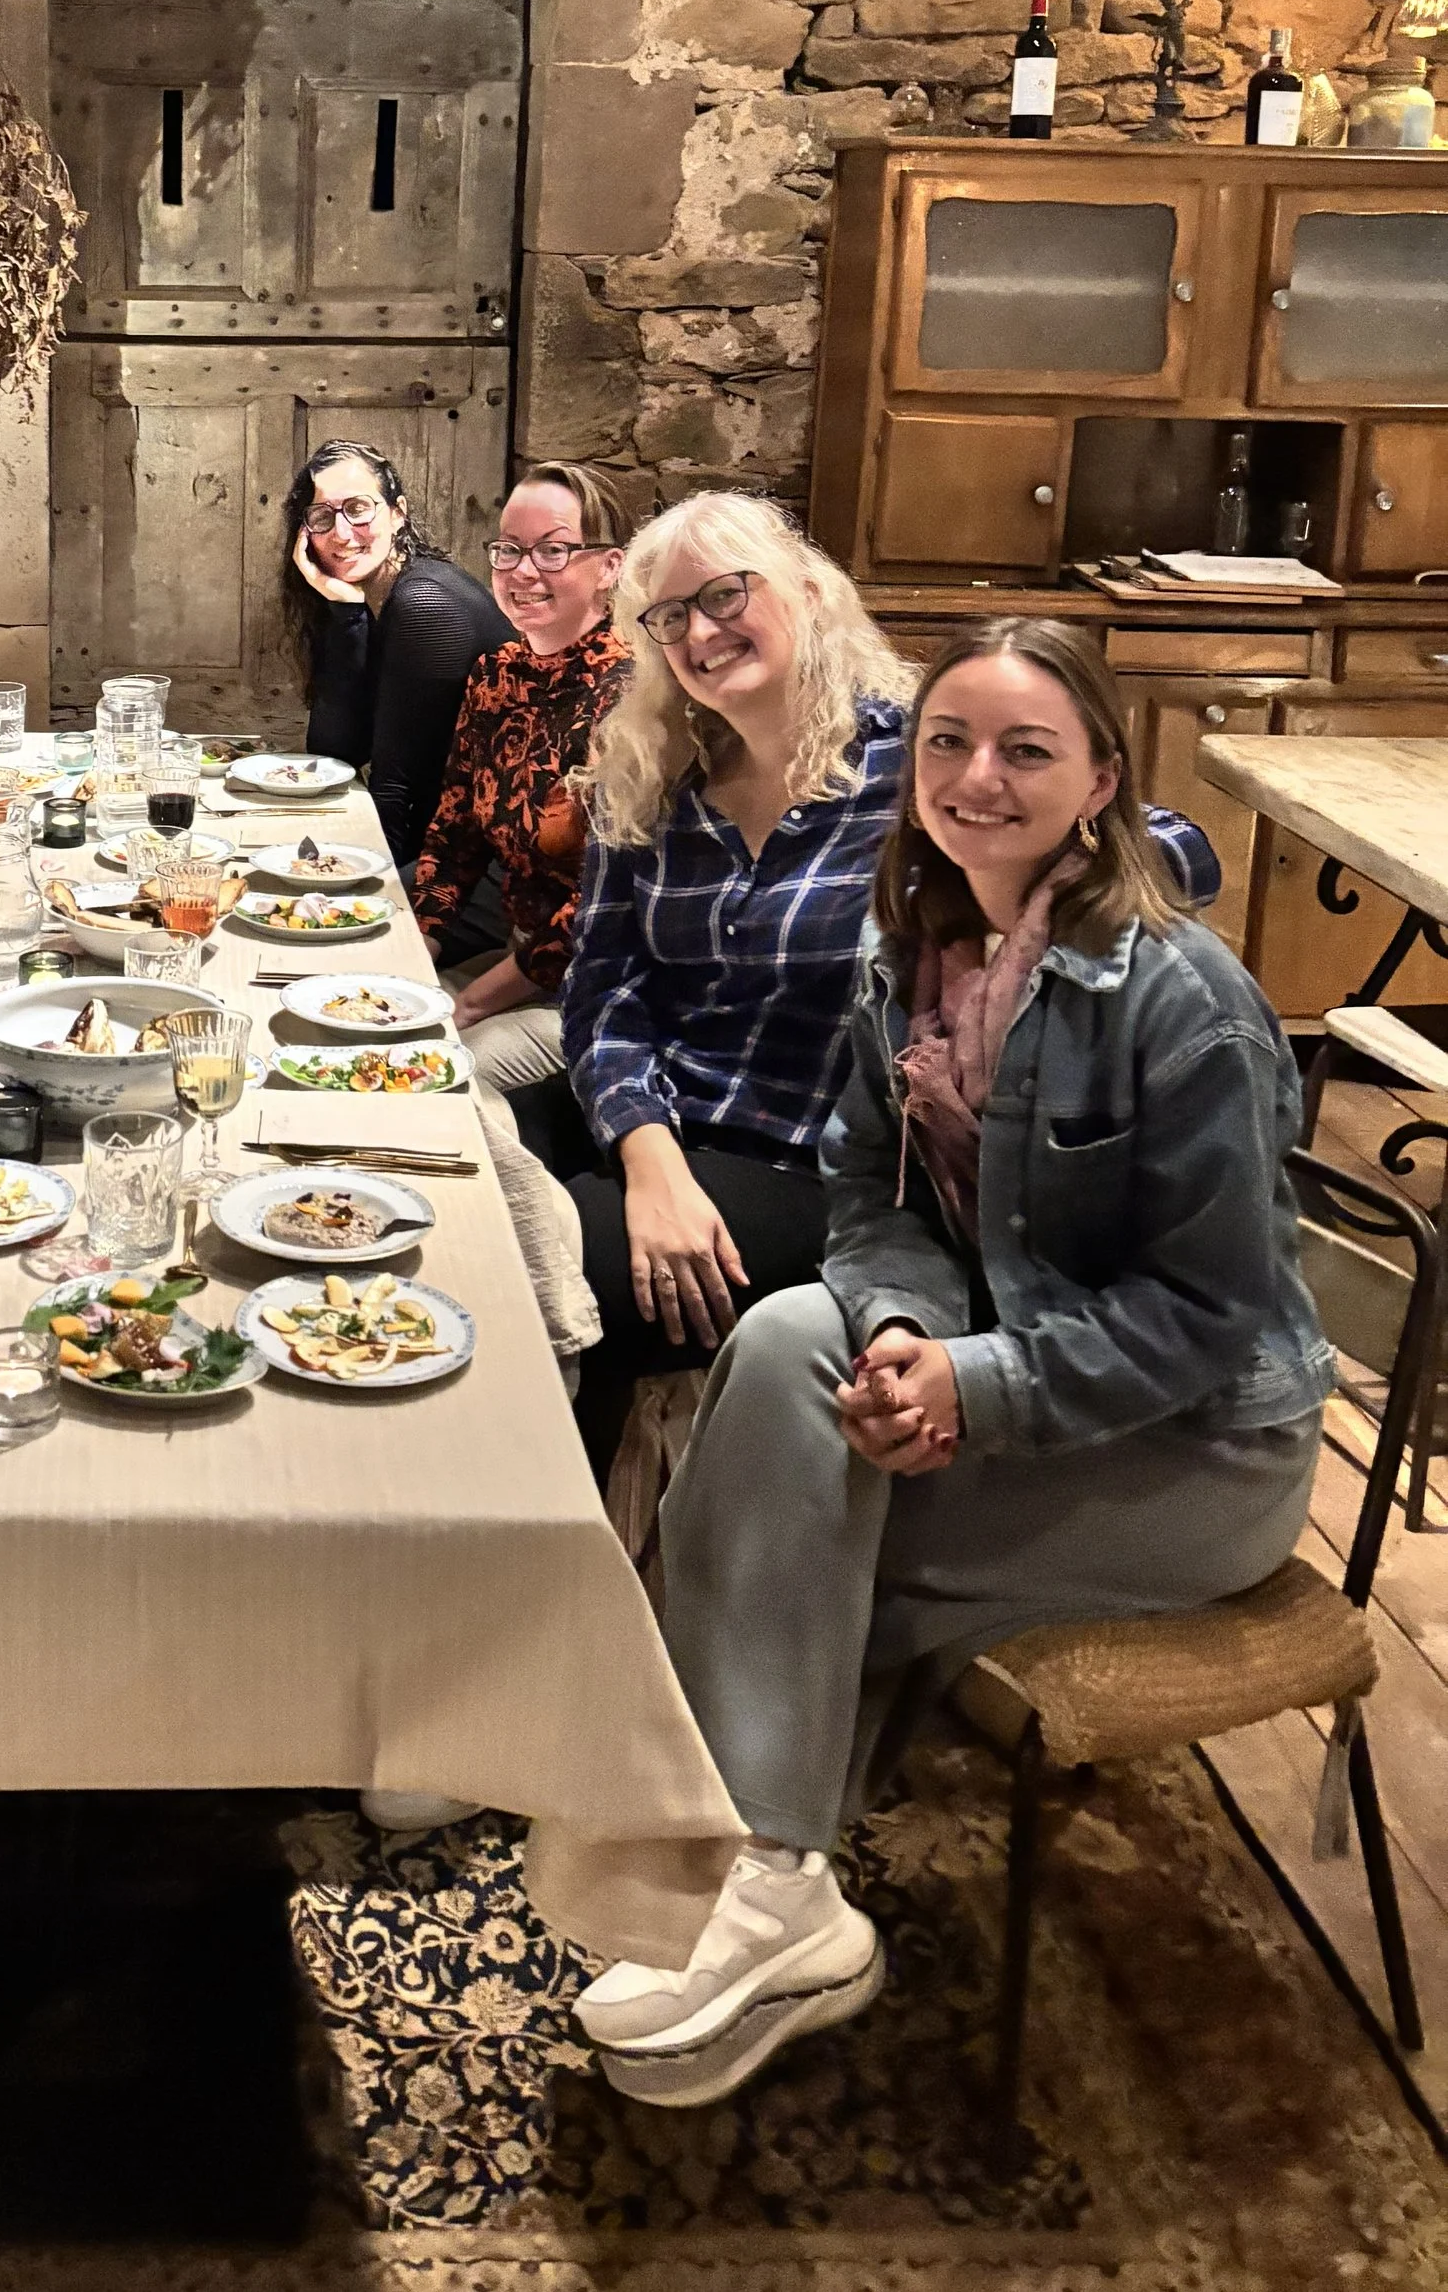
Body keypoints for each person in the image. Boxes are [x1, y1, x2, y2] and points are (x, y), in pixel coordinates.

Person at [576, 620, 1328, 2106]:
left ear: (1105, 778)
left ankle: (764, 1876)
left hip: (1196, 1453)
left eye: (1027, 750)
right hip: (1007, 1361)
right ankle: (776, 1874)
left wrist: (979, 1387)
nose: (978, 778)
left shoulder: (1182, 1000)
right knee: (794, 1331)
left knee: (782, 1517)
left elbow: (1216, 1316)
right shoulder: (909, 943)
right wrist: (911, 1330)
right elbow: (874, 1198)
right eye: (946, 744)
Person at [556, 493, 1217, 1482]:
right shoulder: (659, 780)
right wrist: (648, 1161)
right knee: (449, 1195)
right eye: (668, 616)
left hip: (815, 1164)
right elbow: (604, 991)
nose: (699, 631)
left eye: (725, 594)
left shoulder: (923, 762)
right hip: (664, 1125)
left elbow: (1170, 846)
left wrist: (1012, 901)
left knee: (558, 1281)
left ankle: (563, 1566)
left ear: (810, 593)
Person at [412, 459, 636, 1096]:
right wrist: (422, 945)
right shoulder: (496, 676)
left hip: (597, 986)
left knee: (445, 1076)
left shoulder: (633, 697)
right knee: (368, 1019)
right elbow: (454, 832)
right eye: (508, 549)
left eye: (554, 550)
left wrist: (473, 1003)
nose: (522, 571)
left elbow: (598, 908)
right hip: (518, 958)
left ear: (610, 566)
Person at [284, 438, 511, 872]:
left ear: (397, 513)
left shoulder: (425, 601)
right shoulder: (373, 598)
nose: (341, 533)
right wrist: (345, 613)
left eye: (358, 509)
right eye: (322, 516)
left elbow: (398, 789)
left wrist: (368, 892)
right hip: (446, 848)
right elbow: (337, 753)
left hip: (485, 868)